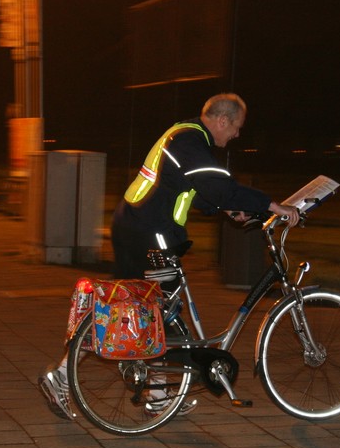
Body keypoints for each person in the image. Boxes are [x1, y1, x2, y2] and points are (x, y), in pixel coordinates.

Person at [40, 93, 301, 420]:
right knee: (151, 311)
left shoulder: (182, 135)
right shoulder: (190, 141)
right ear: (223, 120)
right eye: (237, 127)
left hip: (136, 225)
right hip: (151, 232)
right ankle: (67, 376)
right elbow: (218, 187)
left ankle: (157, 395)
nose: (237, 134)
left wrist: (228, 208)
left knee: (139, 309)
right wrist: (273, 205)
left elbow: (189, 188)